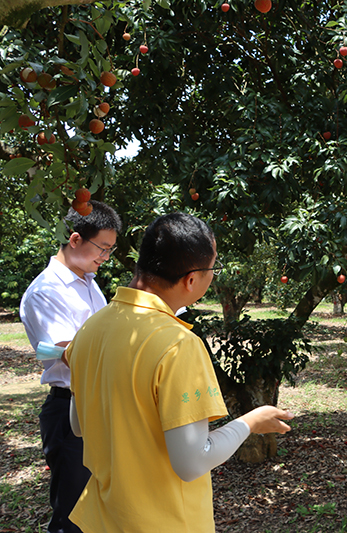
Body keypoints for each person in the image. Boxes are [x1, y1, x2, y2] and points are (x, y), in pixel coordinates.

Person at [65, 213, 294, 533]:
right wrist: (250, 422)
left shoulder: (90, 329)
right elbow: (192, 462)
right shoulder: (177, 345)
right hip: (163, 522)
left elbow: (78, 424)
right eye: (212, 269)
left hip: (104, 519)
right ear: (191, 279)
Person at [19, 200, 122, 533]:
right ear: (75, 239)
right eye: (102, 248)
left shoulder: (89, 283)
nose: (105, 257)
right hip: (70, 410)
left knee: (103, 506)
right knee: (73, 516)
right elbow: (67, 351)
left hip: (100, 407)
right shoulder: (46, 291)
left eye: (110, 250)